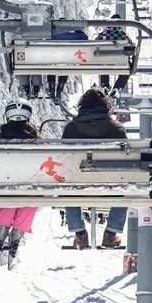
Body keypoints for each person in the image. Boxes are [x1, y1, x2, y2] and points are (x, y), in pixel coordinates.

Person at [62, 88, 131, 249]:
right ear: (105, 105)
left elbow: (64, 159)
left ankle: (80, 234)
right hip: (110, 186)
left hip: (78, 187)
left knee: (68, 183)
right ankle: (111, 233)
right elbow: (126, 161)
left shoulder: (71, 129)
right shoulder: (117, 129)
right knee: (127, 183)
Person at [0, 101, 40, 272]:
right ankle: (15, 240)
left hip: (7, 187)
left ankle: (0, 239)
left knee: (9, 200)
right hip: (30, 188)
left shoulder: (0, 139)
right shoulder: (36, 141)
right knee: (29, 200)